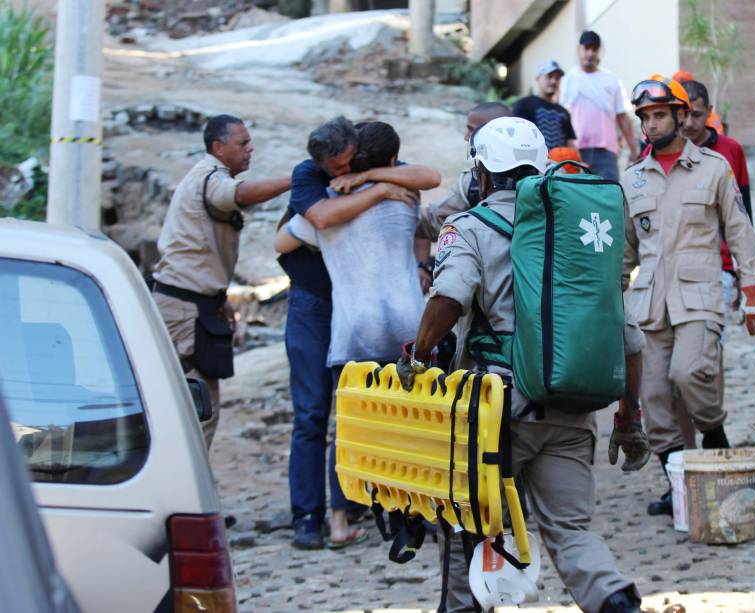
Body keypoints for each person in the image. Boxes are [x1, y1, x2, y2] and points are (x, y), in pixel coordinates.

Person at [397, 116, 644, 613]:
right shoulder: (577, 234)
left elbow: (447, 299)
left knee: (470, 527)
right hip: (570, 403)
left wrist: (419, 357)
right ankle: (620, 604)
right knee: (572, 533)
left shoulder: (468, 227)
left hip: (495, 413)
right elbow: (628, 339)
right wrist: (628, 418)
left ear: (481, 174)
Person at [280, 116, 440, 550]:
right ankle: (412, 513)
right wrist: (383, 188)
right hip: (407, 325)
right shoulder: (404, 194)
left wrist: (363, 190)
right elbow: (429, 180)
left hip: (352, 327)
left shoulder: (333, 196)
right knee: (409, 423)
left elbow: (284, 241)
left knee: (346, 426)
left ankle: (335, 520)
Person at [621, 75, 755, 517]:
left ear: (681, 116)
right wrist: (610, 302)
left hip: (700, 298)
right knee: (655, 400)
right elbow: (626, 250)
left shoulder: (713, 169)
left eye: (660, 114)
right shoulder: (632, 181)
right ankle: (678, 487)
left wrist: (754, 290)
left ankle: (715, 436)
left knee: (688, 376)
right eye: (645, 117)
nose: (651, 124)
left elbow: (742, 234)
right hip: (650, 305)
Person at [152, 114, 291, 448]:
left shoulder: (205, 176)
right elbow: (238, 194)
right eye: (242, 143)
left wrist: (220, 298)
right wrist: (295, 179)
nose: (250, 149)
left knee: (187, 404)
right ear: (219, 147)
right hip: (185, 311)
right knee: (198, 409)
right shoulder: (210, 178)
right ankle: (185, 492)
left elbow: (199, 249)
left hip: (193, 303)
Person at [414, 102, 513, 290]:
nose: (466, 137)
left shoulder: (474, 182)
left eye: (471, 131)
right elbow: (426, 222)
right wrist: (423, 266)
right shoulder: (552, 177)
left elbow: (425, 222)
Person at [680, 79, 753, 327]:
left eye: (697, 115)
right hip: (673, 266)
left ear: (710, 111)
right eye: (685, 114)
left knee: (712, 345)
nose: (689, 123)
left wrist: (746, 275)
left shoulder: (731, 151)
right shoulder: (659, 154)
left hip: (718, 266)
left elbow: (744, 216)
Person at [559, 30, 639, 181]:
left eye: (594, 49)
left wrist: (634, 149)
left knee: (610, 198)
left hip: (606, 153)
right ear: (579, 49)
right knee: (578, 200)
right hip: (576, 153)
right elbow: (561, 117)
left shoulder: (612, 80)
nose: (590, 53)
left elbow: (622, 117)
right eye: (586, 48)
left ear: (599, 51)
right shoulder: (569, 79)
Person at [511, 60, 577, 149]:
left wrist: (579, 162)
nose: (553, 81)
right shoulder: (524, 105)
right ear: (538, 78)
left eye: (557, 78)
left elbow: (570, 143)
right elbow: (515, 136)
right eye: (549, 76)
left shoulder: (563, 112)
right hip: (532, 160)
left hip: (560, 161)